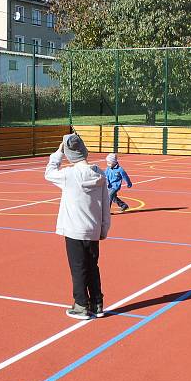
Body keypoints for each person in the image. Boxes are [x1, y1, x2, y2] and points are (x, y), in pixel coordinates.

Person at [45, 133, 111, 320]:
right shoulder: (100, 174)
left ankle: (81, 305)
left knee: (78, 267)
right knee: (92, 266)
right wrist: (104, 228)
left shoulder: (68, 175)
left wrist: (57, 154)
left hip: (74, 230)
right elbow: (106, 205)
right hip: (93, 230)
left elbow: (49, 173)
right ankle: (97, 304)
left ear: (69, 154)